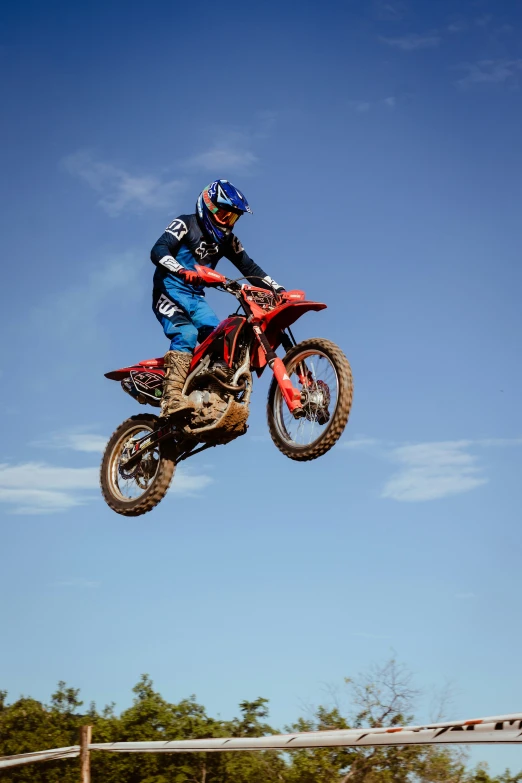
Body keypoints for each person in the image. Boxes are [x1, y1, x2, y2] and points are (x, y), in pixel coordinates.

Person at [150, 179, 285, 419]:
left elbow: (250, 267)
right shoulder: (185, 223)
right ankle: (171, 399)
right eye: (224, 214)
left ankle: (211, 399)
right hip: (169, 290)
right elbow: (159, 249)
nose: (227, 222)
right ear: (208, 206)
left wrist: (278, 290)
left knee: (222, 340)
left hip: (195, 298)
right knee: (187, 334)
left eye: (233, 218)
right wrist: (181, 270)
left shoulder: (227, 241)